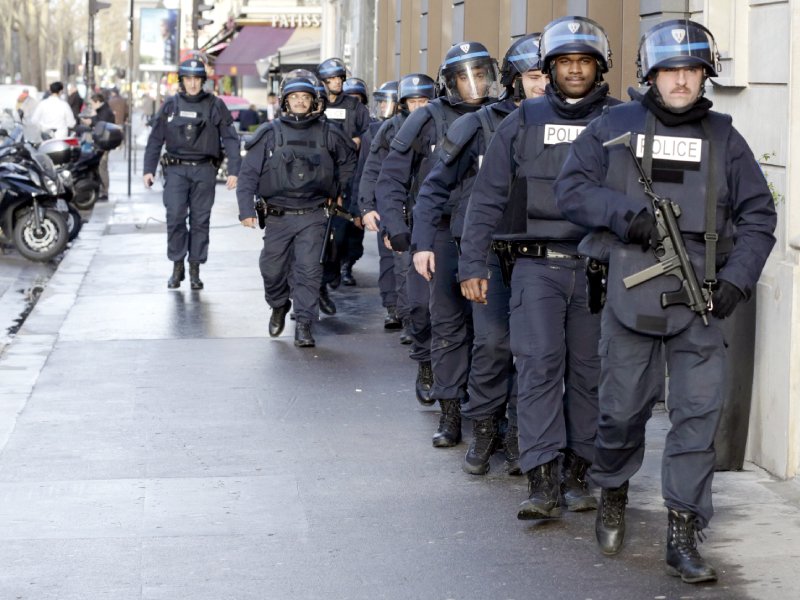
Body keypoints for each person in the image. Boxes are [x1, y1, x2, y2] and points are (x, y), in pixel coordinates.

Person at [554, 19, 776, 583]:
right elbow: (572, 189)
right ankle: (612, 492)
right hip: (634, 294)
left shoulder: (726, 137)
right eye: (670, 71)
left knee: (697, 420)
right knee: (620, 413)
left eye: (691, 70)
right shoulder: (615, 125)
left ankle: (683, 530)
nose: (681, 81)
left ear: (706, 75)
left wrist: (737, 279)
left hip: (702, 300)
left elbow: (758, 216)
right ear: (651, 75)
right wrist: (625, 219)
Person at [459, 16, 619, 517]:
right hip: (535, 267)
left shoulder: (622, 120)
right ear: (549, 69)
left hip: (598, 268)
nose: (575, 71)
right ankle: (542, 480)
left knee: (590, 373)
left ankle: (579, 473)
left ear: (599, 67)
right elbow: (487, 199)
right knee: (538, 368)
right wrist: (471, 264)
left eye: (584, 62)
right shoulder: (522, 121)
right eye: (565, 62)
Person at [414, 33, 548, 475]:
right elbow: (433, 185)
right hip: (482, 248)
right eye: (533, 76)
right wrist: (421, 243)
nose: (543, 84)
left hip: (542, 255)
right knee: (490, 342)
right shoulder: (478, 123)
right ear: (514, 80)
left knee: (529, 349)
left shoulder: (571, 122)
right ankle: (482, 425)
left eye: (547, 75)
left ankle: (515, 436)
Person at [378, 42, 501, 447]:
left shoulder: (503, 118)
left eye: (479, 74)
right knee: (444, 323)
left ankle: (489, 412)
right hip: (441, 232)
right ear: (448, 82)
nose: (473, 84)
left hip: (489, 235)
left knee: (490, 330)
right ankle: (449, 411)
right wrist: (400, 229)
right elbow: (392, 175)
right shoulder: (426, 118)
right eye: (463, 77)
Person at [236, 74, 357, 348]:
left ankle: (304, 323)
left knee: (308, 270)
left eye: (305, 98)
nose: (300, 102)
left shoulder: (328, 132)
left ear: (313, 101)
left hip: (313, 214)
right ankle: (279, 304)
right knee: (272, 269)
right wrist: (246, 210)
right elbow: (248, 174)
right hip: (278, 215)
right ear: (285, 102)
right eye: (295, 98)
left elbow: (350, 159)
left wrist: (338, 190)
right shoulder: (270, 133)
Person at [359, 74, 437, 403]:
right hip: (404, 215)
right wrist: (368, 207)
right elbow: (375, 170)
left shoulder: (444, 125)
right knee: (410, 284)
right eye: (413, 103)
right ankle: (414, 333)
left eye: (424, 101)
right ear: (403, 105)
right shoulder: (390, 131)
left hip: (440, 218)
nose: (419, 108)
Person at [143, 59, 241, 290]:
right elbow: (156, 138)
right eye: (188, 79)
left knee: (200, 220)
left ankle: (195, 268)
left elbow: (230, 137)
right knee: (175, 217)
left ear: (202, 81)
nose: (193, 84)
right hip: (176, 170)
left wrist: (235, 170)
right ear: (182, 80)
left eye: (197, 79)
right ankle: (177, 266)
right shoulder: (170, 105)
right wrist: (148, 169)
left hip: (204, 170)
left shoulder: (215, 105)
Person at [316, 57, 371, 303]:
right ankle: (324, 278)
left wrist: (359, 141)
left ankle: (340, 266)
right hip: (322, 175)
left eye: (339, 78)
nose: (336, 83)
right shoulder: (315, 103)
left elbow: (367, 133)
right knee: (320, 234)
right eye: (331, 79)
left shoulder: (355, 107)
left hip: (349, 173)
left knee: (344, 230)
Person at [351, 79, 401, 327]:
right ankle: (392, 306)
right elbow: (365, 172)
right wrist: (363, 206)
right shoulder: (372, 133)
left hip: (411, 201)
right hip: (385, 204)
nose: (383, 109)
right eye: (380, 103)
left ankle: (411, 310)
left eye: (388, 103)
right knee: (389, 258)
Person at [81, 92, 116, 201]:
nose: (91, 106)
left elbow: (100, 125)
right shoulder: (102, 110)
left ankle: (104, 192)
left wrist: (92, 119)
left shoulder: (105, 111)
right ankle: (101, 190)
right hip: (101, 142)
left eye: (92, 103)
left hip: (104, 143)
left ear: (98, 102)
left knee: (102, 167)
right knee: (98, 166)